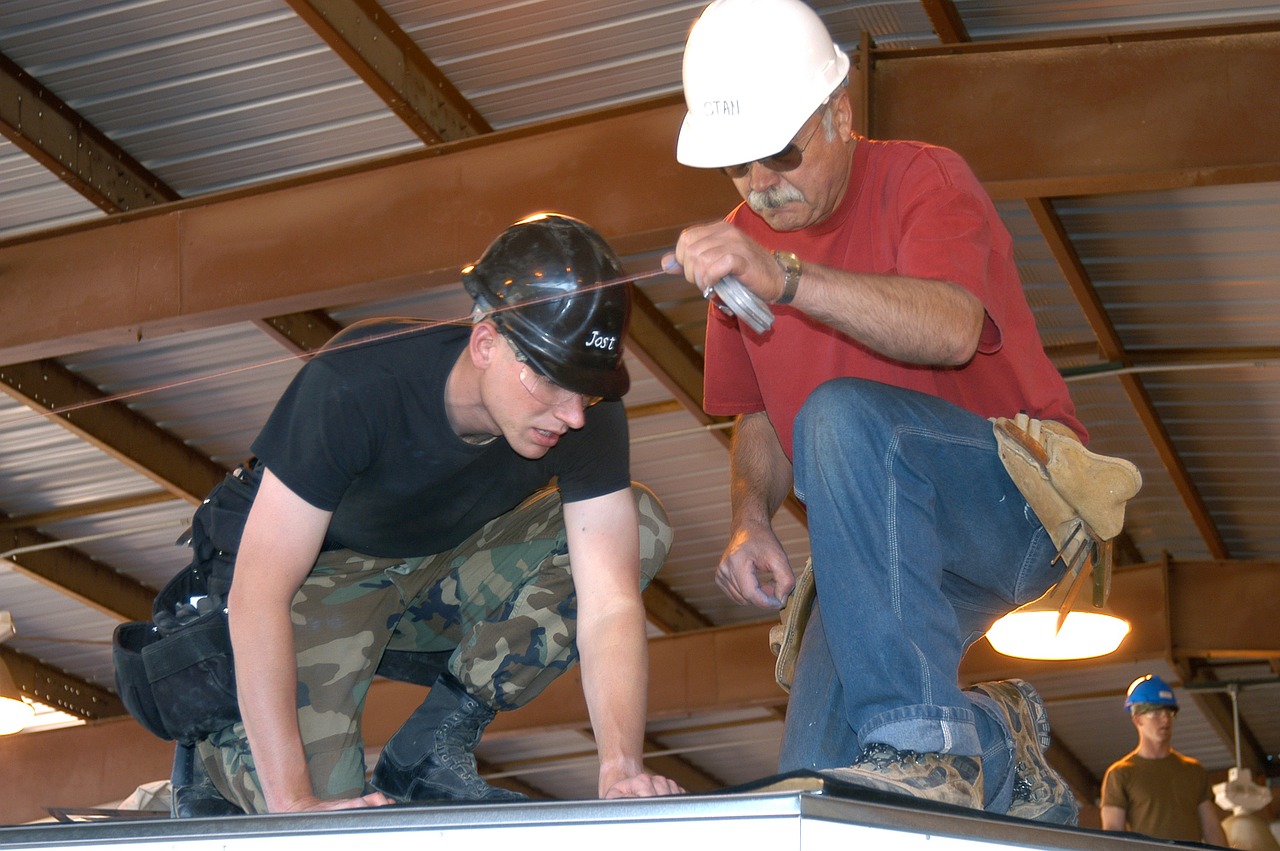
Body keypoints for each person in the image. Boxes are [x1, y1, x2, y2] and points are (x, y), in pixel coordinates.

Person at [662, 0, 1114, 823]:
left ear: (839, 113)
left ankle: (930, 744)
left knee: (836, 417)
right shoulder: (743, 246)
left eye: (780, 154)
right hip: (881, 538)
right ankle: (997, 742)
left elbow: (951, 328)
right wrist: (747, 515)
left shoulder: (923, 178)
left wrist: (787, 278)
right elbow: (757, 414)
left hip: (1011, 501)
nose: (760, 186)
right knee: (819, 781)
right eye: (737, 168)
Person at [180, 212, 682, 814]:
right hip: (314, 584)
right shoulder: (358, 381)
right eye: (552, 383)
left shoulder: (586, 414)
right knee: (329, 820)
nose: (573, 414)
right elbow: (259, 592)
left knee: (639, 519)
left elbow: (610, 601)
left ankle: (430, 745)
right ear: (486, 343)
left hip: (437, 569)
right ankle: (213, 762)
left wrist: (621, 767)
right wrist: (294, 801)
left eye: (588, 390)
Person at [1101, 675, 1228, 844]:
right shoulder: (1120, 773)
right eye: (1155, 712)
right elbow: (1113, 835)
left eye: (1169, 712)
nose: (1165, 719)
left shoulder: (1193, 770)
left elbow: (1212, 829)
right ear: (1137, 719)